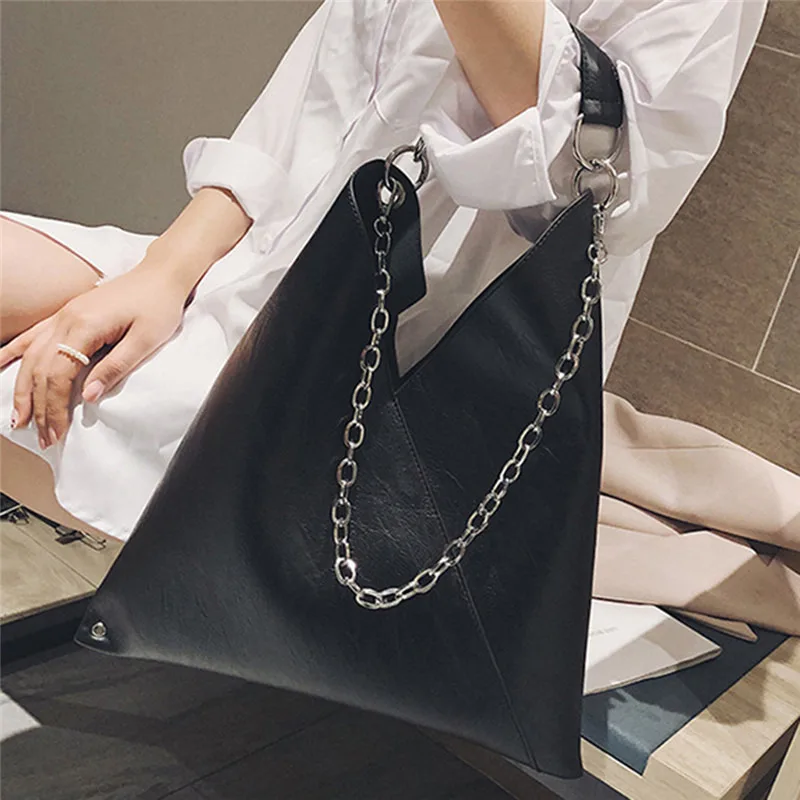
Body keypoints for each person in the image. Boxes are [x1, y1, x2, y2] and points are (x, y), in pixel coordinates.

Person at [0, 0, 768, 543]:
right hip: (258, 267)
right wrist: (163, 274)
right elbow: (302, 115)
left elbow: (590, 184)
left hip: (407, 371)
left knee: (40, 400)